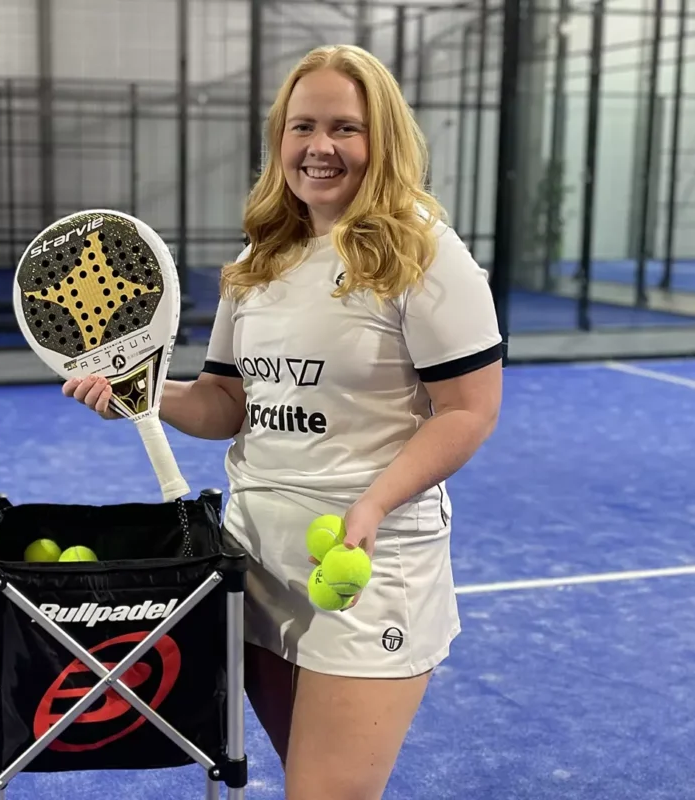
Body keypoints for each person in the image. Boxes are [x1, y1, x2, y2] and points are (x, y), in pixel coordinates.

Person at [63, 44, 503, 800]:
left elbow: (468, 410)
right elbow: (226, 403)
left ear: (384, 139)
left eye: (345, 128)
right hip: (259, 564)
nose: (320, 148)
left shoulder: (425, 252)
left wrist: (371, 504)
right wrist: (144, 394)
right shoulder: (264, 257)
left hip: (369, 572)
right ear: (280, 139)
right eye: (303, 127)